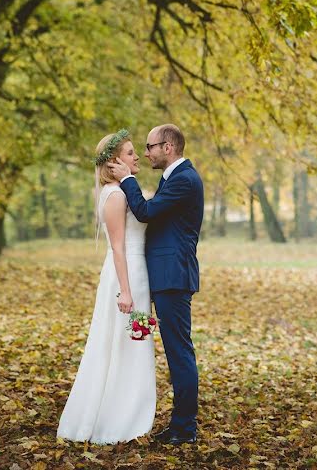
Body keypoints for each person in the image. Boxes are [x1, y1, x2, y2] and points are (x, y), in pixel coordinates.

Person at [56, 130, 155, 444]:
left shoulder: (125, 191)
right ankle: (117, 419)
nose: (136, 156)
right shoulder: (114, 196)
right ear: (114, 163)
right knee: (121, 343)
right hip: (125, 276)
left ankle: (132, 411)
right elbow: (117, 248)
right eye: (129, 152)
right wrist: (125, 291)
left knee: (135, 343)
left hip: (139, 274)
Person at [108, 123, 203, 445]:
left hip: (172, 278)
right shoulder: (173, 179)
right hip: (161, 277)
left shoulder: (185, 180)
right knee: (170, 351)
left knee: (179, 353)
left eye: (150, 147)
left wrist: (127, 179)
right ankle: (177, 425)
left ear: (168, 147)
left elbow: (146, 212)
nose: (146, 153)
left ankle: (185, 428)